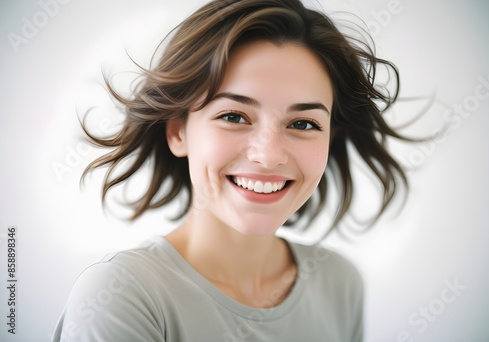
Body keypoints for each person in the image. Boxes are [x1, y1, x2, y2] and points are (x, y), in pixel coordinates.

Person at [52, 0, 411, 340]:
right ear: (178, 131)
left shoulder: (341, 283)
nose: (268, 156)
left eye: (303, 124)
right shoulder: (122, 296)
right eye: (233, 116)